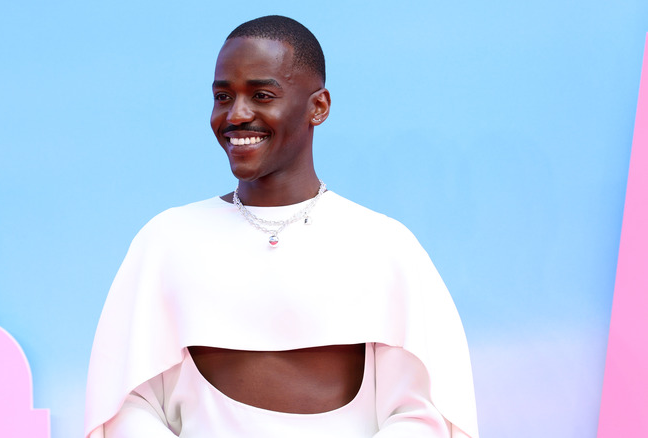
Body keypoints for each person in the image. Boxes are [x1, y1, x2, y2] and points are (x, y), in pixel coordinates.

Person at [85, 15, 478, 438]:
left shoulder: (384, 246)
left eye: (261, 94)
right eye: (222, 96)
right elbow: (127, 407)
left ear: (319, 107)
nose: (236, 114)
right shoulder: (165, 242)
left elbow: (423, 415)